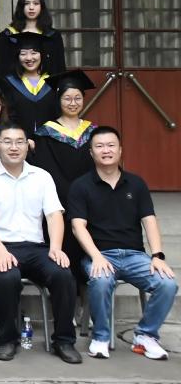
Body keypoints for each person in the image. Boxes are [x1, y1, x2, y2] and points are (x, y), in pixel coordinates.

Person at [0, 123, 82, 363]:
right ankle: (7, 339)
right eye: (7, 142)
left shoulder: (42, 177)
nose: (14, 147)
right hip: (0, 246)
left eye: (19, 142)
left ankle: (64, 341)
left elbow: (54, 215)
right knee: (7, 277)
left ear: (27, 146)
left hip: (36, 248)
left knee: (63, 274)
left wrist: (56, 248)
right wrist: (0, 251)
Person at [69, 126, 178, 361]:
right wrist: (96, 257)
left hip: (134, 255)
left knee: (167, 284)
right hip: (100, 254)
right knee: (100, 280)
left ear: (120, 150)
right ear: (91, 152)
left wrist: (157, 256)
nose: (106, 150)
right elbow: (78, 227)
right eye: (99, 146)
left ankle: (145, 335)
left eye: (111, 145)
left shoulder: (136, 184)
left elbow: (149, 221)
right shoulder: (81, 186)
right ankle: (100, 337)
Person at [31, 70, 98, 283]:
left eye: (77, 98)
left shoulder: (93, 132)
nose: (73, 103)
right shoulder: (46, 133)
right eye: (67, 98)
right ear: (59, 100)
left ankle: (86, 289)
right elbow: (44, 168)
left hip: (88, 200)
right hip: (59, 199)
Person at [0, 0, 65, 77]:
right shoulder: (7, 36)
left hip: (45, 85)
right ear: (21, 6)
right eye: (26, 3)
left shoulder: (53, 36)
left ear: (42, 6)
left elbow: (59, 69)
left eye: (36, 3)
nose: (31, 7)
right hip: (13, 85)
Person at [3, 32, 58, 136]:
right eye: (23, 54)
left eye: (34, 53)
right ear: (17, 56)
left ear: (42, 54)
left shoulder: (53, 82)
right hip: (18, 140)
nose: (29, 58)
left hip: (49, 141)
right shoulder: (9, 83)